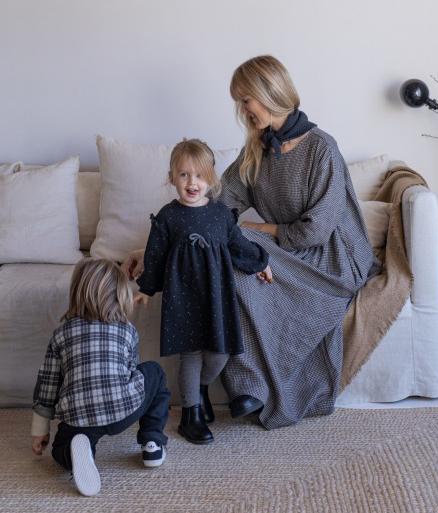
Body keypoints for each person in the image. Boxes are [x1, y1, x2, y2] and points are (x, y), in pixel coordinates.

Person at [124, 55, 376, 430]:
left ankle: (251, 385)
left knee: (241, 244)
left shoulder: (322, 148)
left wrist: (262, 229)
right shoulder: (257, 148)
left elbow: (315, 232)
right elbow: (214, 207)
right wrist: (153, 250)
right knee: (230, 255)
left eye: (245, 100)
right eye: (239, 102)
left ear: (269, 93)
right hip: (288, 251)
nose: (242, 110)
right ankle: (248, 387)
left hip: (330, 258)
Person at [134, 138, 271, 444]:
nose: (191, 182)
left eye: (198, 175)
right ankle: (191, 414)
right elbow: (154, 255)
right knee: (191, 356)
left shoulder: (221, 214)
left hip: (216, 297)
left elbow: (238, 245)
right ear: (172, 178)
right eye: (183, 175)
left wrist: (260, 262)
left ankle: (200, 390)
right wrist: (146, 289)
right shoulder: (168, 217)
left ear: (211, 178)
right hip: (182, 298)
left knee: (219, 354)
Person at [31, 258, 170, 497]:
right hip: (123, 410)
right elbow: (131, 371)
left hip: (80, 418)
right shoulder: (127, 330)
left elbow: (48, 385)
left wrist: (39, 429)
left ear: (77, 292)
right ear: (120, 296)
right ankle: (152, 443)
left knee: (59, 449)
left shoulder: (61, 334)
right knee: (154, 372)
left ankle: (76, 454)